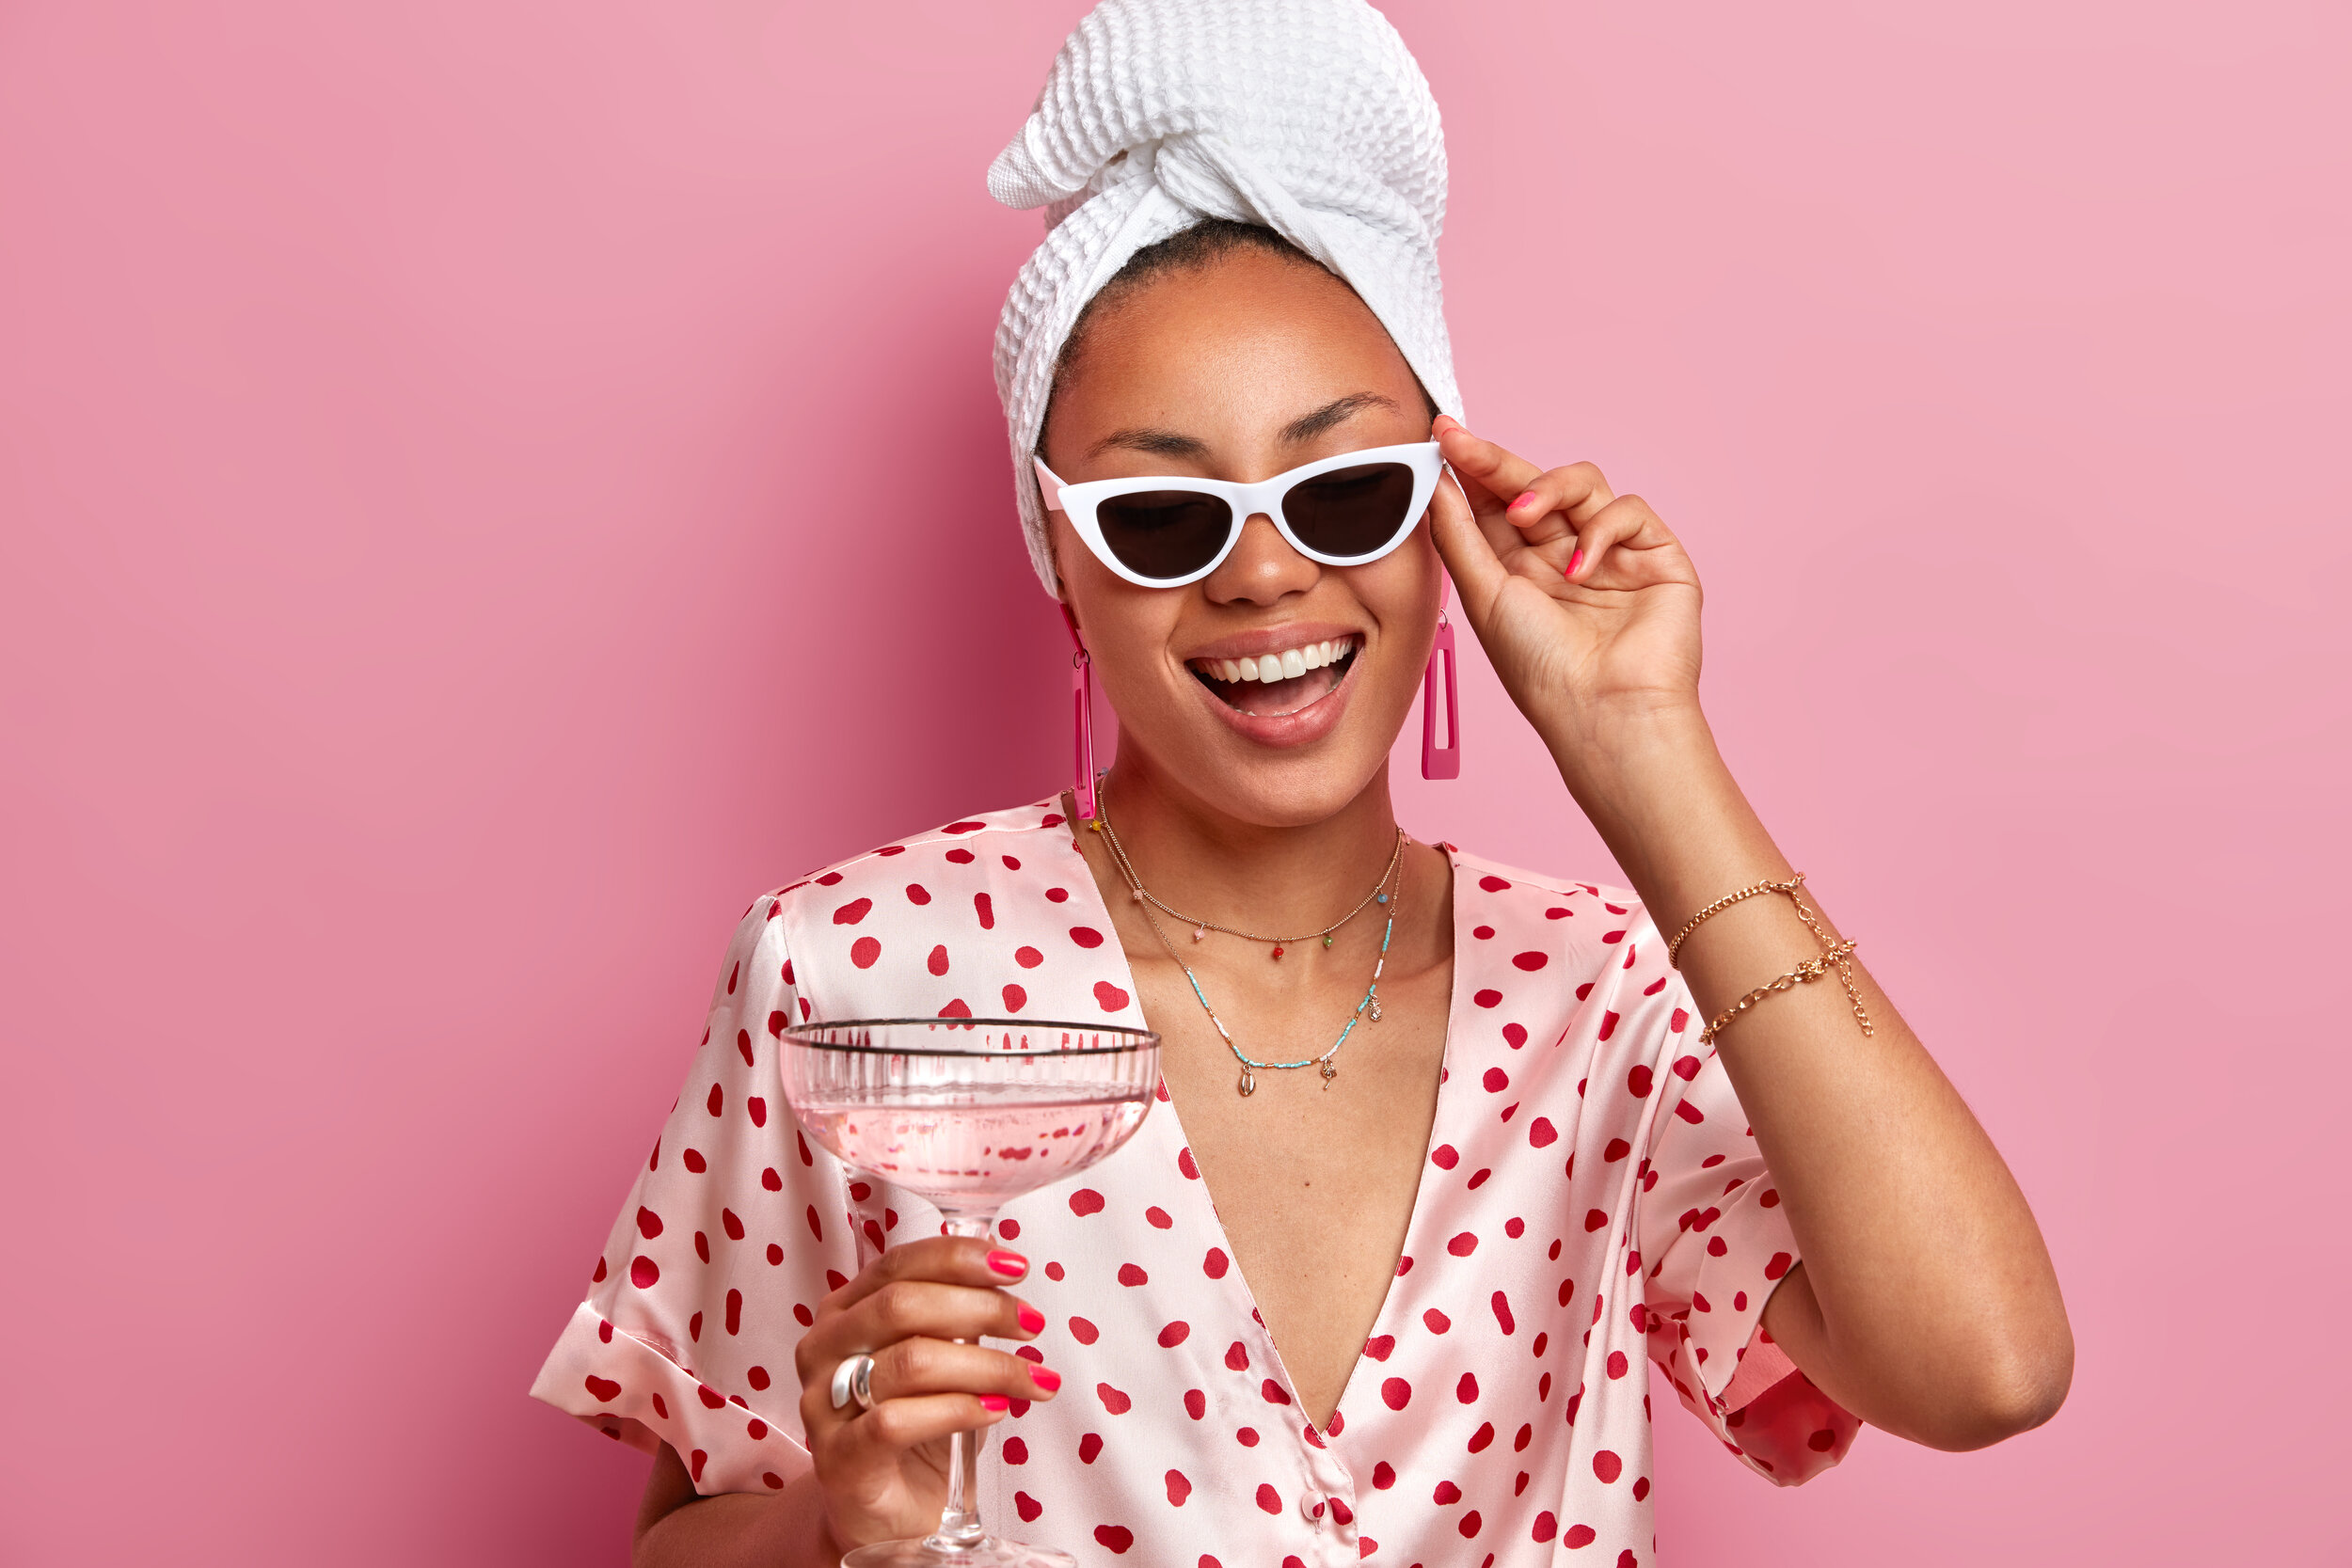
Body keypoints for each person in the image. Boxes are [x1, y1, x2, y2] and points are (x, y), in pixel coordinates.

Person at [530, 3, 2073, 1563]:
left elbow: (1987, 1370)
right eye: (1160, 516)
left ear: (1442, 516)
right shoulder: (858, 975)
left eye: (1342, 492)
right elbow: (686, 1536)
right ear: (1062, 561)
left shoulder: (1598, 996)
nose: (1264, 572)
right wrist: (840, 1524)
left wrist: (1642, 747)